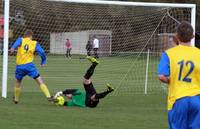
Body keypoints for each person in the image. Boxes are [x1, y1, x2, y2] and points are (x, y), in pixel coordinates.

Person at [158, 21, 200, 129]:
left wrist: (171, 79)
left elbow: (162, 76)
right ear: (193, 36)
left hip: (178, 100)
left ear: (176, 36)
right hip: (197, 100)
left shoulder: (169, 53)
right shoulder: (198, 53)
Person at [10, 30, 52, 104]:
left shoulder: (21, 40)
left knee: (18, 82)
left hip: (19, 66)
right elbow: (42, 52)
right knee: (39, 80)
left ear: (24, 35)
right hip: (29, 66)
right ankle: (48, 96)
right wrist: (43, 61)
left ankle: (16, 99)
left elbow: (16, 43)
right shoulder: (34, 43)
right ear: (31, 36)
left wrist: (13, 48)